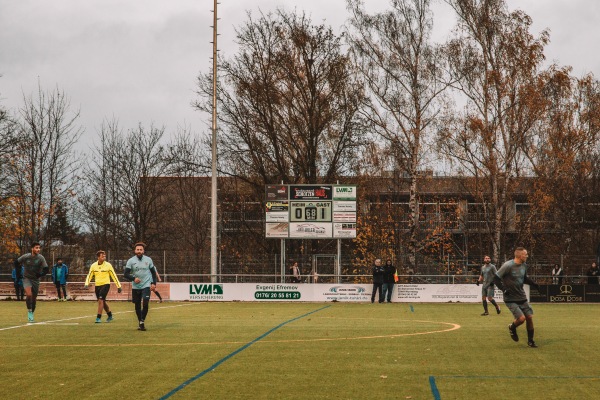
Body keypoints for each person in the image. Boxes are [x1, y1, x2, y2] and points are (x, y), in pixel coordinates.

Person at [493, 247, 540, 348]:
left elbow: (524, 279)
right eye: (525, 254)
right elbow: (496, 278)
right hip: (510, 298)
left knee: (529, 317)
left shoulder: (524, 265)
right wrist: (503, 289)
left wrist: (534, 284)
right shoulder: (508, 265)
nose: (527, 256)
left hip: (521, 296)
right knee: (521, 318)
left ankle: (531, 341)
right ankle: (512, 327)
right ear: (519, 255)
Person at [124, 242, 158, 331]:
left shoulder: (148, 260)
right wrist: (133, 278)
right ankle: (141, 323)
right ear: (135, 251)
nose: (139, 251)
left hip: (146, 284)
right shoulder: (131, 261)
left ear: (143, 251)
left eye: (141, 250)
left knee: (145, 301)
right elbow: (126, 274)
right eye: (137, 249)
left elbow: (153, 273)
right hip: (136, 286)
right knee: (137, 305)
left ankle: (142, 321)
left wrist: (154, 283)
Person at [85, 250, 122, 323]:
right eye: (102, 256)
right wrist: (86, 283)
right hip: (97, 285)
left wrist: (119, 286)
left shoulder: (108, 265)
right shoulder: (93, 266)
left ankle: (98, 318)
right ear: (98, 257)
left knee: (101, 300)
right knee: (102, 301)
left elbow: (113, 275)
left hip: (106, 284)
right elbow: (90, 275)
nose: (104, 257)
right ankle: (110, 315)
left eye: (105, 256)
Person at [18, 242, 49, 323]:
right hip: (26, 278)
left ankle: (32, 312)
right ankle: (29, 311)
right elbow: (16, 262)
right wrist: (18, 273)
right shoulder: (26, 256)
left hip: (35, 280)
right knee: (29, 294)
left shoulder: (41, 258)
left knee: (34, 299)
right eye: (36, 248)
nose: (38, 249)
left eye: (39, 248)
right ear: (32, 248)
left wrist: (40, 274)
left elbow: (46, 269)